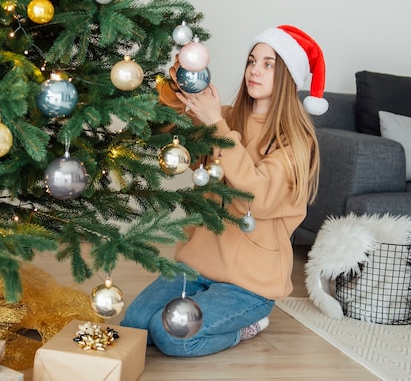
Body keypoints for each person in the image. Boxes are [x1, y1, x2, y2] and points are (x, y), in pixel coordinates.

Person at [120, 25, 328, 357]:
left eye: (268, 64)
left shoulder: (296, 144)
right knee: (134, 324)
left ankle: (248, 326)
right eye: (251, 61)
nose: (254, 71)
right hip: (198, 264)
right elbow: (172, 138)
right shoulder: (228, 118)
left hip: (248, 284)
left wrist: (215, 122)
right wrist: (178, 91)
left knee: (173, 337)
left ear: (288, 77)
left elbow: (257, 198)